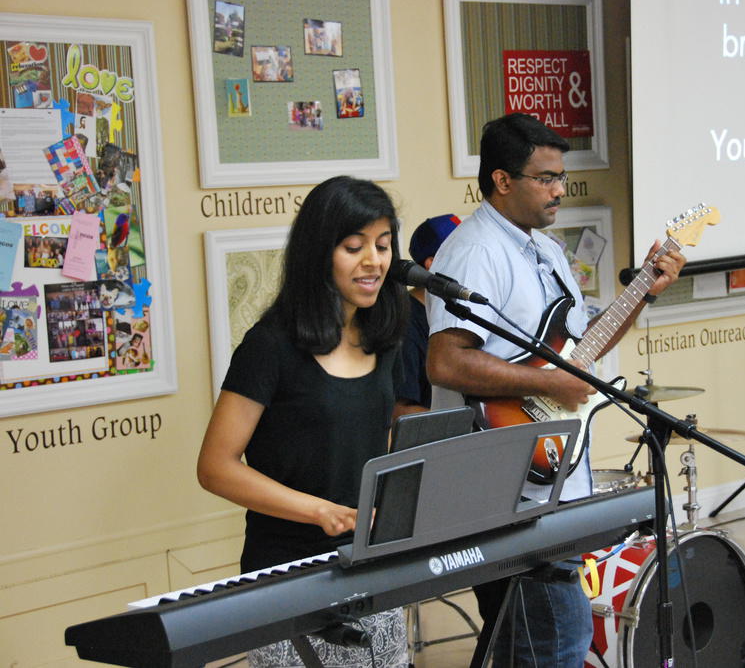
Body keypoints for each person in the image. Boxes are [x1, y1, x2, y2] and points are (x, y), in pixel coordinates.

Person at [425, 113, 685, 666]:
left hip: (554, 476)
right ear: (502, 180)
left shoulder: (545, 250)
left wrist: (645, 289)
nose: (560, 190)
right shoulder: (474, 251)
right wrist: (549, 383)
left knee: (525, 643)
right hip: (507, 486)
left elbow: (581, 349)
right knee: (559, 641)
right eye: (545, 178)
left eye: (561, 177)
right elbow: (445, 361)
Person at [197, 176, 410, 668]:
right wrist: (320, 511)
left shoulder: (383, 339)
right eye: (354, 247)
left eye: (382, 246)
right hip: (288, 575)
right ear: (318, 253)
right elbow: (215, 467)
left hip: (370, 566)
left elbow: (372, 443)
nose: (374, 261)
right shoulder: (269, 345)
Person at [394, 213, 461, 416]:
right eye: (462, 254)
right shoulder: (404, 323)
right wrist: (466, 426)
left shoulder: (461, 313)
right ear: (432, 264)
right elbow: (399, 411)